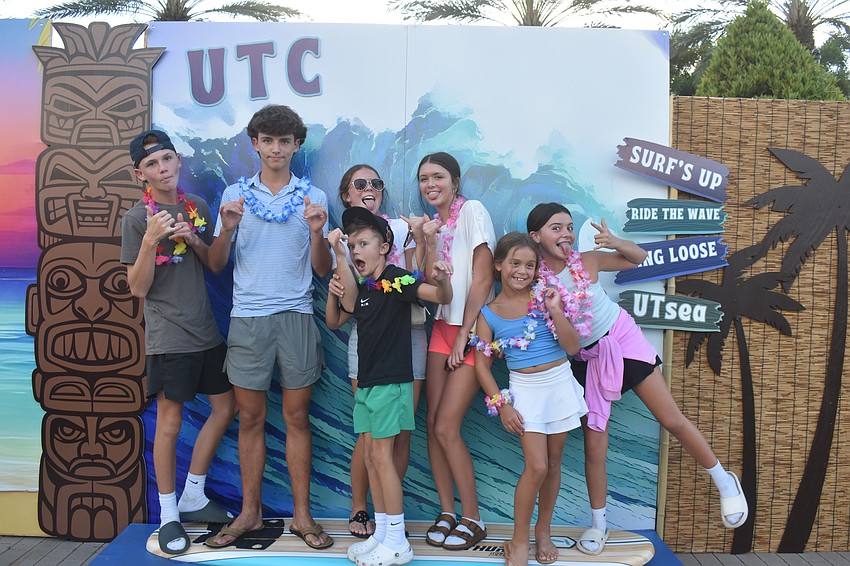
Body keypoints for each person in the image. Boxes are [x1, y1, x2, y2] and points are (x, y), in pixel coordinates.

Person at [526, 203, 748, 555]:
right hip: (587, 359)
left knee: (670, 419)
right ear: (536, 236)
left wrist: (615, 241)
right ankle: (599, 524)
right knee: (594, 446)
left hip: (622, 339)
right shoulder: (533, 281)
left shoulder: (587, 261)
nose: (566, 234)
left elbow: (638, 258)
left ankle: (725, 481)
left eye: (569, 227)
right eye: (556, 228)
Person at [205, 105, 334, 550]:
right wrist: (226, 229)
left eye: (284, 141)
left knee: (297, 417)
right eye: (267, 140)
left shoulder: (313, 197)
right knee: (250, 418)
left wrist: (317, 232)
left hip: (296, 316)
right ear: (255, 144)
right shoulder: (234, 195)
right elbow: (216, 264)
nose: (276, 148)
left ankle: (302, 516)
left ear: (296, 145)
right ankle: (249, 512)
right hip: (247, 318)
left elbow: (322, 270)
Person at [120, 129, 236, 555]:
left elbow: (211, 264)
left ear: (178, 161)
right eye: (152, 164)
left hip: (205, 330)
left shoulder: (196, 206)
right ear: (141, 175)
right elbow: (137, 288)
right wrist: (151, 240)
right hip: (169, 336)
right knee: (169, 424)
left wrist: (196, 239)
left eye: (167, 158)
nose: (162, 168)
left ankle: (194, 493)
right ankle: (168, 514)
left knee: (226, 407)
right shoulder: (136, 219)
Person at [326, 207, 453, 566]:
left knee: (382, 458)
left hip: (391, 383)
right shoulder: (365, 287)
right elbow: (337, 315)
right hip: (367, 384)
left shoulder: (397, 279)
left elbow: (440, 297)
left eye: (363, 243)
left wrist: (442, 278)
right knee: (370, 456)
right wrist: (338, 264)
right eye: (352, 245)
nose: (357, 250)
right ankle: (381, 533)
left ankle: (397, 541)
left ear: (384, 248)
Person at [470, 232, 588, 566]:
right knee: (536, 466)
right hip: (524, 390)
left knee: (553, 464)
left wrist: (555, 310)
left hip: (559, 383)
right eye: (515, 263)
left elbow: (572, 347)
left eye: (530, 265)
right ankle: (519, 540)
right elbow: (481, 365)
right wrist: (503, 404)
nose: (522, 271)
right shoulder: (489, 314)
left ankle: (543, 531)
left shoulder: (545, 298)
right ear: (499, 265)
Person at [332, 164, 427, 539]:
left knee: (400, 434)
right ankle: (360, 508)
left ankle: (388, 520)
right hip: (369, 340)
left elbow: (419, 278)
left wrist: (422, 241)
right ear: (347, 195)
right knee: (370, 437)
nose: (369, 188)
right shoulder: (343, 241)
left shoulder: (401, 229)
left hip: (409, 337)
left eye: (375, 183)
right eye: (360, 184)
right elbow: (346, 304)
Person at [407, 152, 495, 550]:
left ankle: (473, 518)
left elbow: (484, 278)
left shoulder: (473, 210)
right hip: (440, 328)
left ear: (455, 182)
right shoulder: (435, 226)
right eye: (424, 178)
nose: (431, 184)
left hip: (471, 331)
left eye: (438, 176)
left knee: (446, 426)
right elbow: (429, 282)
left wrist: (465, 335)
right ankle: (446, 512)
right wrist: (426, 239)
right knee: (431, 425)